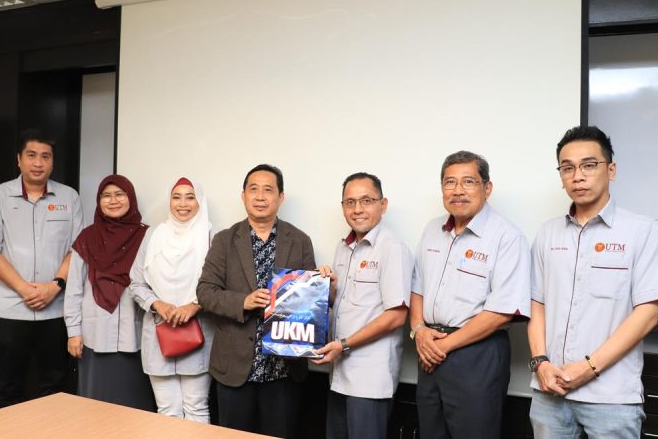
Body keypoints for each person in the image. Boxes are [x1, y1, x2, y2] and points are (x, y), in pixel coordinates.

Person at [527, 126, 658, 439]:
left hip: (611, 396)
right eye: (567, 168)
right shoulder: (547, 234)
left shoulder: (642, 231)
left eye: (589, 165)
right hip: (549, 391)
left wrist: (587, 368)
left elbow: (648, 314)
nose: (577, 176)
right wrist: (540, 362)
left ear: (611, 170)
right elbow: (537, 303)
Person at [409, 150, 531, 439]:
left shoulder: (507, 237)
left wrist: (443, 346)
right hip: (429, 348)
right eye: (450, 182)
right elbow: (417, 289)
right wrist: (419, 331)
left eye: (468, 182)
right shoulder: (432, 230)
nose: (458, 190)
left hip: (477, 353)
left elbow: (502, 312)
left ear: (487, 188)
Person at [196, 164, 315, 439]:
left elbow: (310, 300)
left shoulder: (300, 241)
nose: (260, 196)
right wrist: (243, 302)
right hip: (234, 367)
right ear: (243, 196)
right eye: (253, 189)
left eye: (268, 190)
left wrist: (323, 287)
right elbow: (205, 292)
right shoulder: (224, 240)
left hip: (283, 368)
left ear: (280, 197)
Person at [0, 129, 84, 407]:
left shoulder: (69, 197)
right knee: (8, 386)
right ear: (19, 159)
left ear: (53, 162)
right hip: (10, 309)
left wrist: (54, 287)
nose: (38, 163)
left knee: (56, 386)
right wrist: (25, 290)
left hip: (56, 309)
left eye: (45, 156)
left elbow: (77, 250)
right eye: (31, 155)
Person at [312, 172, 412, 439]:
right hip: (338, 374)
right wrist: (329, 291)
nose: (357, 209)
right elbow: (345, 305)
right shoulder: (343, 247)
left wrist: (344, 344)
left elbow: (396, 316)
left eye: (366, 200)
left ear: (383, 204)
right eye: (350, 202)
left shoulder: (392, 248)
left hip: (369, 380)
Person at [64, 174, 155, 410]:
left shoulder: (148, 236)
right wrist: (73, 332)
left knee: (134, 407)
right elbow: (74, 289)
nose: (113, 201)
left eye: (119, 194)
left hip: (135, 338)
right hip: (94, 336)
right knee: (95, 406)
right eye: (106, 196)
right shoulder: (87, 238)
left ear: (130, 198)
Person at [130, 177, 214, 422]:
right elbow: (136, 283)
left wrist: (194, 305)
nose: (182, 204)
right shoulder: (153, 235)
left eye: (190, 197)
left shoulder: (211, 236)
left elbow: (221, 284)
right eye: (176, 197)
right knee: (167, 411)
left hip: (198, 333)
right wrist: (159, 304)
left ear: (200, 202)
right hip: (159, 332)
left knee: (196, 408)